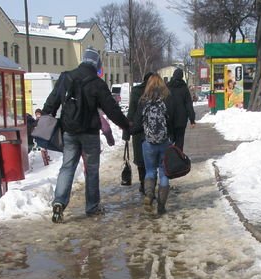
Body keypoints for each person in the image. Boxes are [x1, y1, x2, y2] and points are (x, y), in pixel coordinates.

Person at [42, 48, 130, 222]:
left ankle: (58, 202)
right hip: (89, 134)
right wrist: (126, 125)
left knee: (67, 167)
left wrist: (45, 116)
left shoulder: (66, 77)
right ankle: (92, 207)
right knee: (91, 171)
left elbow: (52, 100)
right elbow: (111, 109)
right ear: (96, 65)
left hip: (69, 131)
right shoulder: (97, 83)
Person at [130, 73, 176, 215]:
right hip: (164, 142)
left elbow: (137, 124)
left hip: (147, 142)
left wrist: (133, 130)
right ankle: (161, 206)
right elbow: (172, 120)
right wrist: (171, 136)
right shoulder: (168, 99)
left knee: (149, 171)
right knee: (164, 173)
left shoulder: (143, 100)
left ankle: (149, 195)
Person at [123, 72, 153, 194]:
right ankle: (150, 186)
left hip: (137, 130)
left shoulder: (136, 91)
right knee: (151, 160)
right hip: (153, 131)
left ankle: (142, 184)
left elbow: (131, 112)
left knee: (140, 159)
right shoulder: (157, 91)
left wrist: (126, 134)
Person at [167, 68, 195, 151]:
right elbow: (188, 104)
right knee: (180, 141)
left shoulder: (167, 87)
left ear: (173, 76)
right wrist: (192, 120)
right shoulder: (184, 88)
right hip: (181, 120)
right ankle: (178, 159)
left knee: (169, 140)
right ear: (182, 77)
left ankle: (169, 158)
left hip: (169, 119)